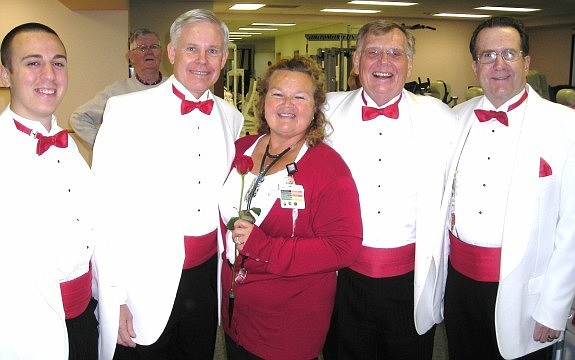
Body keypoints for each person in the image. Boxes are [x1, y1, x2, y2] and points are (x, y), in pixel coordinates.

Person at [92, 9, 243, 360]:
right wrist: (114, 297)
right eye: (192, 49)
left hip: (205, 281)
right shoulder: (126, 111)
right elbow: (102, 212)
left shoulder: (230, 117)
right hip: (143, 284)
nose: (203, 60)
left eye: (213, 50)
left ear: (224, 57)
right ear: (172, 53)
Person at [323, 20, 456, 359]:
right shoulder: (324, 113)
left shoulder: (440, 117)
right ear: (356, 62)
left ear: (409, 64)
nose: (384, 62)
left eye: (395, 53)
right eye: (373, 53)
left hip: (411, 280)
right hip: (342, 279)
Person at [444, 16, 575, 360]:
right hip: (459, 287)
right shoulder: (454, 119)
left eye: (509, 54)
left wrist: (554, 308)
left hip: (526, 297)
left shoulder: (565, 126)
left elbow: (572, 228)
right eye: (487, 55)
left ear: (526, 62)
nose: (498, 64)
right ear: (474, 66)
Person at [219, 55, 363, 360]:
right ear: (263, 102)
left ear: (314, 107)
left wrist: (264, 247)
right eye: (278, 94)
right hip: (235, 315)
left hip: (288, 325)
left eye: (299, 97)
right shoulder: (241, 148)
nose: (288, 104)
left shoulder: (328, 167)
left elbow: (344, 247)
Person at [0, 22, 113, 359]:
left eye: (58, 63)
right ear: (5, 74)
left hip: (82, 321)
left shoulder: (71, 150)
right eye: (33, 62)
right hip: (21, 329)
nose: (49, 74)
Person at [69, 28, 165, 148]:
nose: (149, 52)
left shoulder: (176, 87)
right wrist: (105, 148)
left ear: (161, 53)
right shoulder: (116, 93)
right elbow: (78, 118)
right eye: (142, 48)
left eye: (154, 47)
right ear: (131, 56)